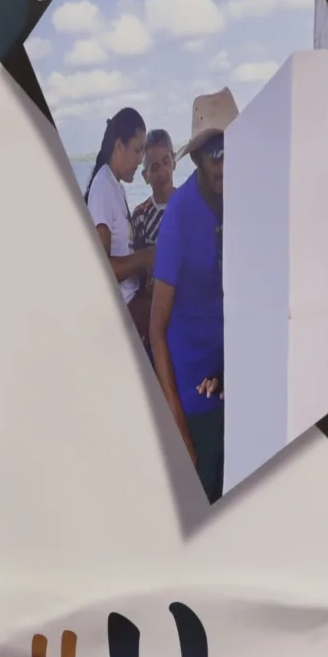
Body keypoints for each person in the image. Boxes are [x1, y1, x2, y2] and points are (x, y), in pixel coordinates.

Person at [149, 89, 234, 504]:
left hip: (235, 389)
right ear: (199, 158)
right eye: (214, 152)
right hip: (193, 402)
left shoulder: (247, 200)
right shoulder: (179, 216)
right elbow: (156, 329)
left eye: (231, 148)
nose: (224, 161)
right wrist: (178, 430)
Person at [82, 108, 153, 341]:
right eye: (137, 149)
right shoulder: (103, 187)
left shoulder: (117, 187)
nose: (141, 159)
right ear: (119, 145)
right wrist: (147, 257)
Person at [130, 129, 177, 262]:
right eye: (155, 167)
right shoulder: (140, 216)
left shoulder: (190, 205)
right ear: (145, 176)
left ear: (174, 162)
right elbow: (138, 263)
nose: (162, 170)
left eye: (166, 161)